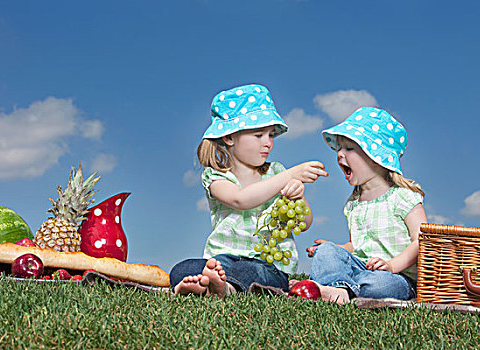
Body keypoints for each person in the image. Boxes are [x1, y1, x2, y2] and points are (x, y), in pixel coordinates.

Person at [170, 83, 328, 297]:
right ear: (229, 138)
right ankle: (196, 285)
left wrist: (298, 197)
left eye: (271, 135)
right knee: (185, 267)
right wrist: (290, 175)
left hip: (269, 263)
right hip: (223, 259)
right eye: (258, 135)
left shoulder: (277, 172)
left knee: (253, 270)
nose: (268, 143)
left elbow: (305, 223)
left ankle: (222, 288)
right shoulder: (216, 176)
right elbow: (240, 200)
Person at [296, 107, 427, 305]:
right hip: (362, 268)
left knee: (380, 284)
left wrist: (391, 265)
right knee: (327, 252)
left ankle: (335, 288)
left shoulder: (403, 197)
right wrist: (336, 248)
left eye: (349, 148)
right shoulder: (353, 204)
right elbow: (358, 245)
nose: (340, 153)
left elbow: (422, 242)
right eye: (339, 148)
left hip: (397, 276)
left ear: (376, 158)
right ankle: (338, 290)